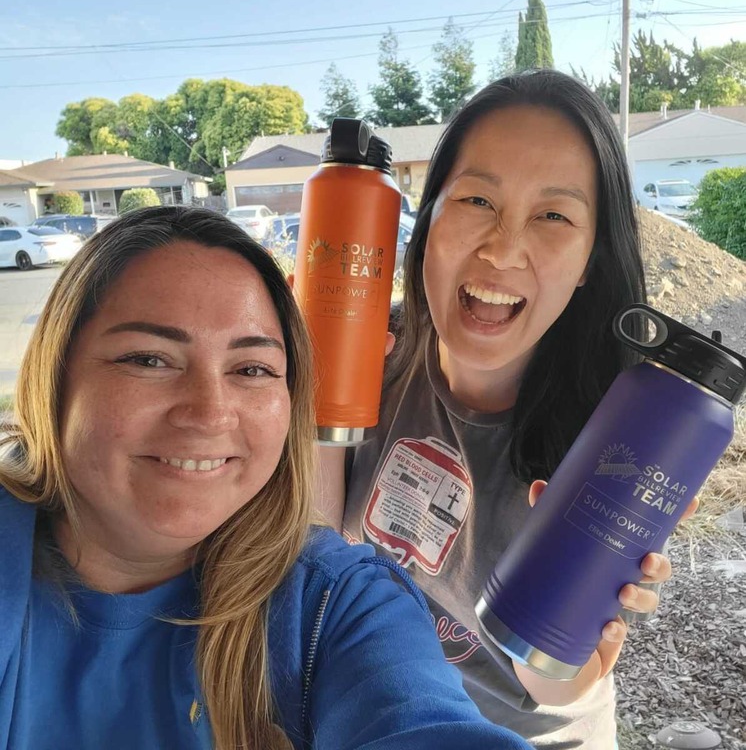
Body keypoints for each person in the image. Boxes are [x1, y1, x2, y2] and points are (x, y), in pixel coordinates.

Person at [0, 206, 533, 750]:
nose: (210, 414)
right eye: (150, 359)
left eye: (252, 369)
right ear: (57, 376)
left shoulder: (336, 605)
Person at [317, 70, 698, 748]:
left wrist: (591, 591)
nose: (502, 248)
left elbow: (554, 689)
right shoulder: (368, 353)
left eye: (553, 215)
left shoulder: (614, 437)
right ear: (428, 219)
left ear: (588, 259)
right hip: (385, 715)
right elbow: (316, 544)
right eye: (476, 200)